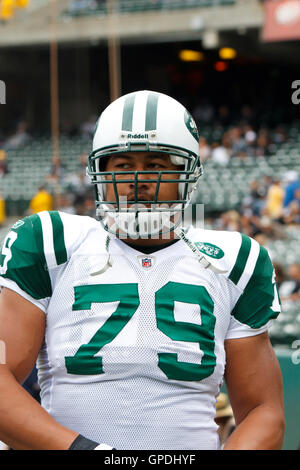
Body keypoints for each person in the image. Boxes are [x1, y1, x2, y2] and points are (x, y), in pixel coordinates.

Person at [0, 90, 284, 450]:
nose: (137, 178)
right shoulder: (51, 243)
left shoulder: (233, 259)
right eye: (121, 164)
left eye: (156, 165)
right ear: (98, 172)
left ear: (188, 173)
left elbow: (263, 409)